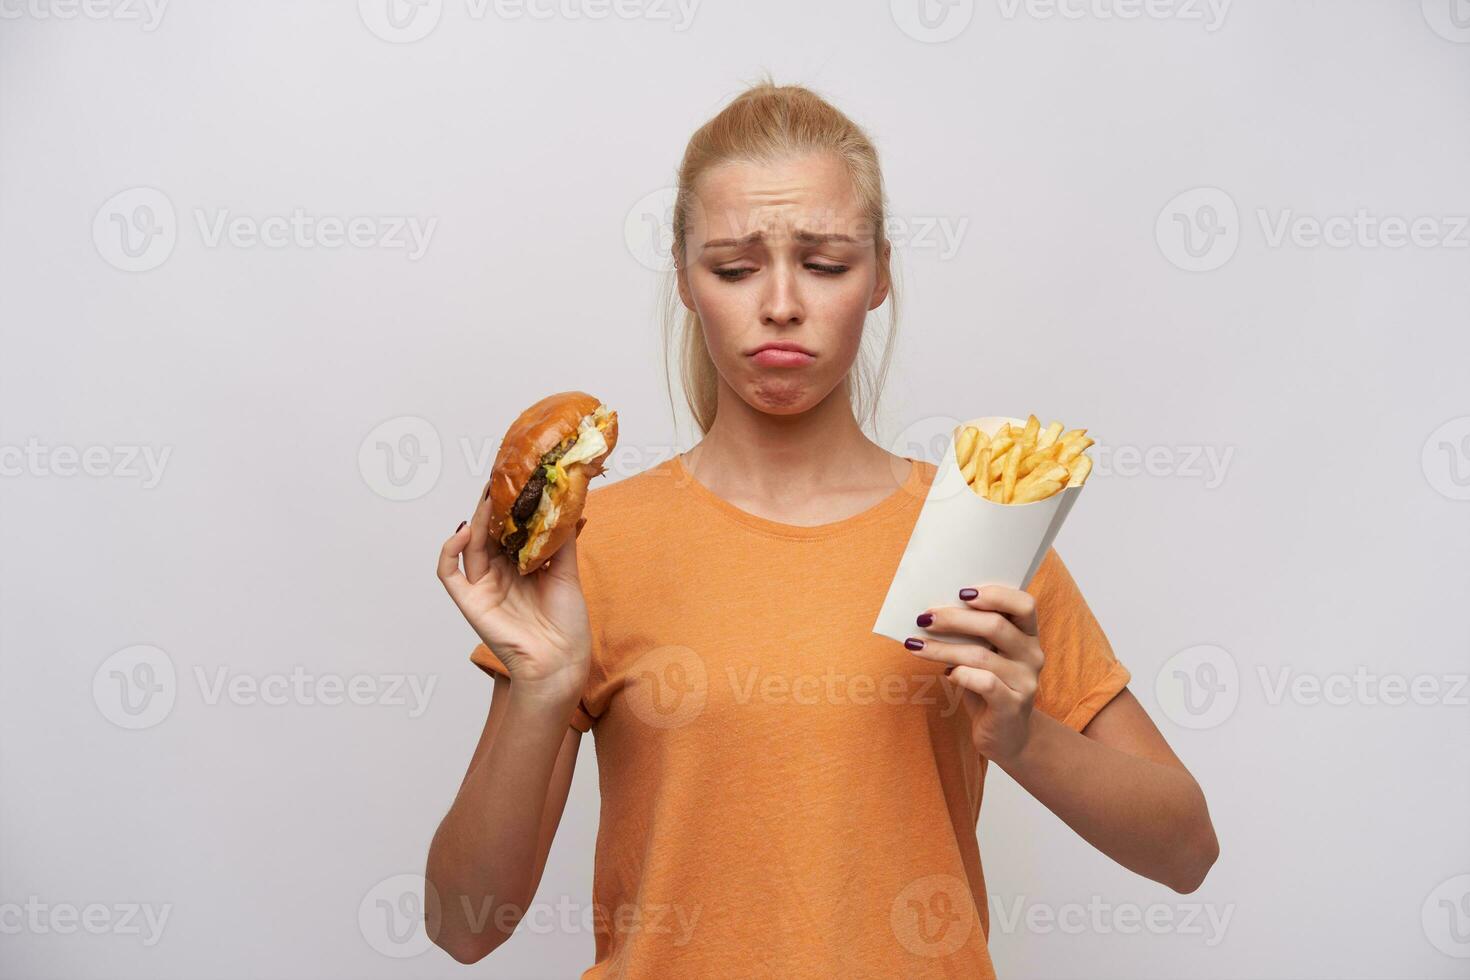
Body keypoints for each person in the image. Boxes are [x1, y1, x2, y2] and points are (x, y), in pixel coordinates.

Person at [427, 78, 1218, 978]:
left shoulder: (978, 533)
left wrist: (1026, 739)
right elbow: (463, 926)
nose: (780, 304)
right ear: (686, 279)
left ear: (880, 275)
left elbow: (1186, 851)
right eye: (732, 268)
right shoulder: (589, 550)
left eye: (827, 264)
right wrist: (540, 686)